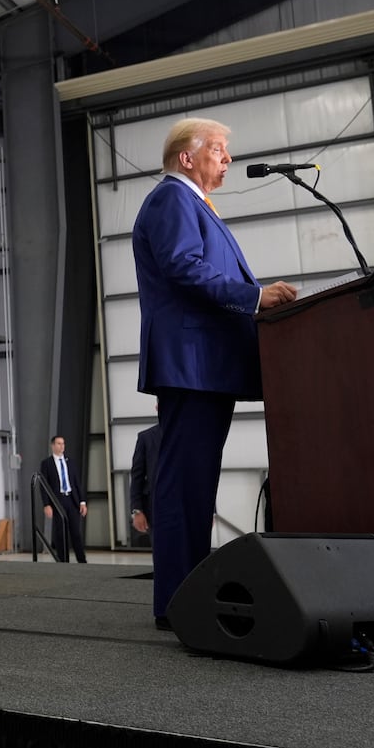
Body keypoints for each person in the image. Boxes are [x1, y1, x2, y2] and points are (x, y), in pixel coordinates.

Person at [132, 118, 298, 630]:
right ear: (187, 157)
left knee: (196, 483)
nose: (227, 160)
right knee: (185, 483)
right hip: (192, 363)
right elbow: (185, 266)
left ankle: (186, 593)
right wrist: (254, 296)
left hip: (207, 364)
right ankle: (178, 600)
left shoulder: (196, 204)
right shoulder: (171, 200)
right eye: (219, 150)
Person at [39, 436, 87, 562]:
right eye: (59, 444)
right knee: (61, 533)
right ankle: (63, 561)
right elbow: (44, 486)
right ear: (53, 446)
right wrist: (46, 504)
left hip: (72, 500)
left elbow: (76, 483)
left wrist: (82, 502)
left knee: (75, 532)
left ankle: (82, 560)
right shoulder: (46, 464)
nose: (62, 446)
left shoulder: (70, 461)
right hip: (57, 501)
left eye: (63, 443)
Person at [129, 419, 162, 541]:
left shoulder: (189, 434)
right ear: (157, 408)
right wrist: (137, 510)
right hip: (156, 510)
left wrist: (210, 510)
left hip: (187, 508)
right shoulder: (146, 438)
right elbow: (137, 475)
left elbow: (202, 474)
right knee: (163, 555)